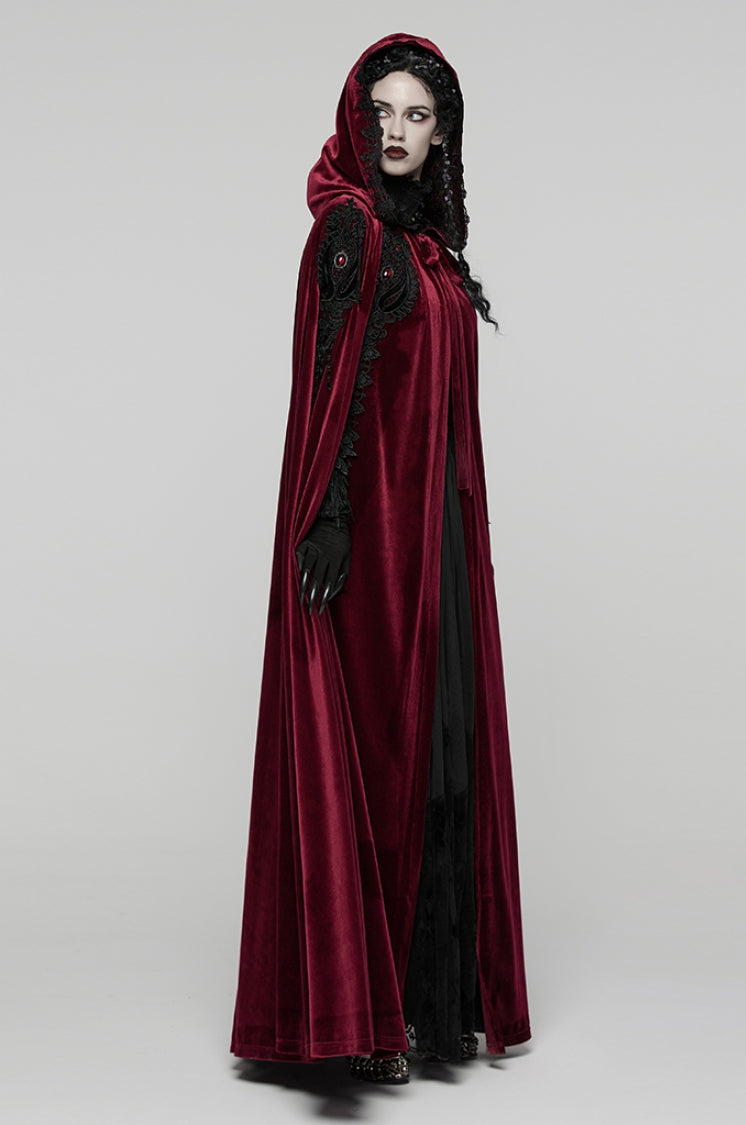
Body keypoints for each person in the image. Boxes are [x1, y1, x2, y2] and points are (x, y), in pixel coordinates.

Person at [231, 32, 531, 1085]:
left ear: (441, 133)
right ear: (356, 120)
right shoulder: (350, 230)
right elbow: (330, 385)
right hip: (366, 548)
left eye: (416, 115)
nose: (395, 130)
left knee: (436, 756)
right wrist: (327, 519)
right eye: (381, 112)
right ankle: (358, 1020)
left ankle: (419, 1006)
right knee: (372, 755)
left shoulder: (430, 245)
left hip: (433, 538)